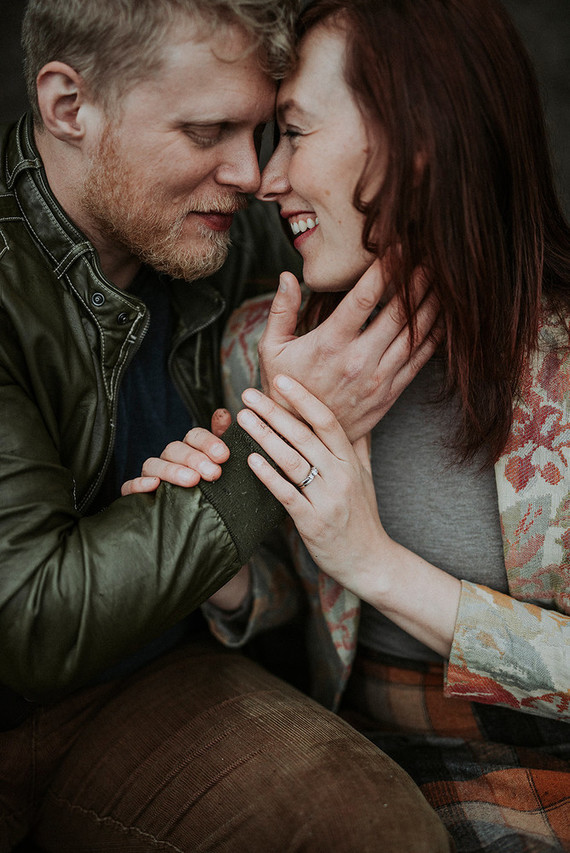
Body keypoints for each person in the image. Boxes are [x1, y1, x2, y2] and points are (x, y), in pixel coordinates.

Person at [0, 0, 455, 850]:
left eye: (262, 131)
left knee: (375, 832)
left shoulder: (233, 230)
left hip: (158, 681)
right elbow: (28, 618)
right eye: (208, 131)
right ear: (69, 106)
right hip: (21, 699)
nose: (252, 174)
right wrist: (275, 440)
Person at [151, 0, 570, 849]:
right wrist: (219, 558)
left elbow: (348, 564)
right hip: (359, 756)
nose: (266, 181)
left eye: (297, 133)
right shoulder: (263, 349)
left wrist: (373, 561)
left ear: (415, 140)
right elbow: (290, 596)